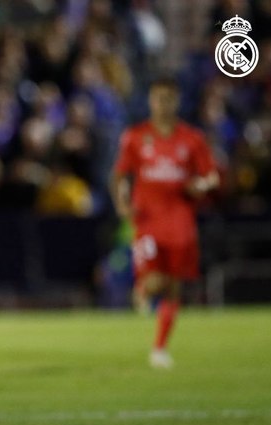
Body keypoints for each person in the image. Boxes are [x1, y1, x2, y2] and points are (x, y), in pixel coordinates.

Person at [111, 77, 219, 369]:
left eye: (168, 99)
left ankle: (159, 348)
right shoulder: (136, 136)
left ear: (177, 101)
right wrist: (122, 202)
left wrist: (202, 185)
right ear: (150, 101)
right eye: (158, 98)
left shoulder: (192, 139)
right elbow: (121, 175)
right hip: (147, 221)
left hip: (180, 223)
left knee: (173, 287)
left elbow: (212, 176)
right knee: (154, 279)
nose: (163, 104)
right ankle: (143, 289)